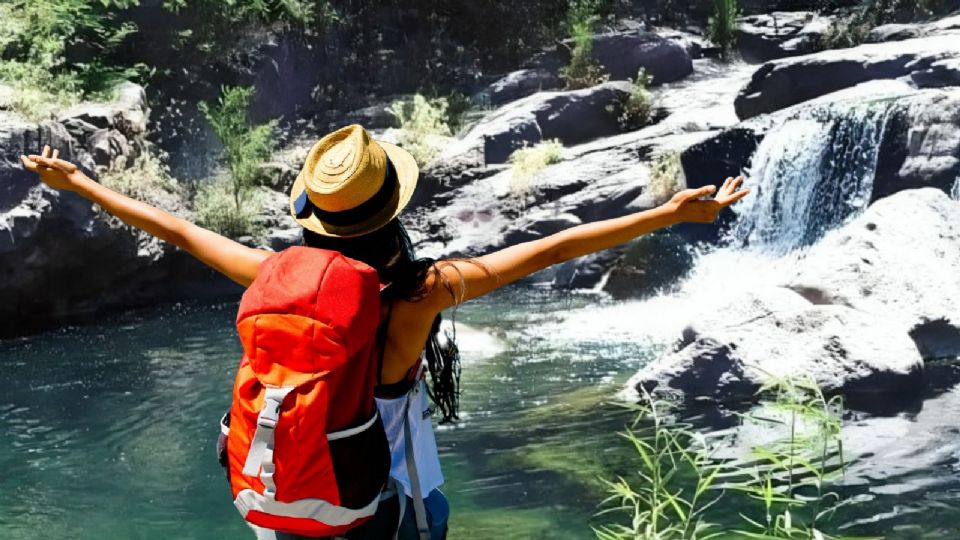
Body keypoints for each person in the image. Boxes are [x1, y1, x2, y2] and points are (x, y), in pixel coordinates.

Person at [19, 124, 749, 539]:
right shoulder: (418, 294)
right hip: (382, 504)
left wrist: (79, 183)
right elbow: (552, 250)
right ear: (391, 210)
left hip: (284, 493)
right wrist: (668, 214)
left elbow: (178, 231)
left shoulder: (272, 273)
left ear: (314, 214)